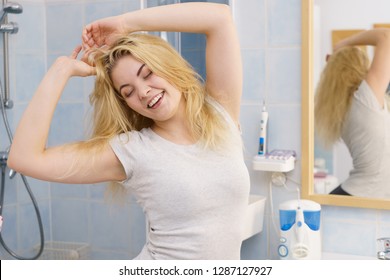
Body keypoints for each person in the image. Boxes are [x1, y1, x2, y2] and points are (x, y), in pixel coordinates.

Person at [7, 2, 250, 260]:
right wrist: (60, 71)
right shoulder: (133, 150)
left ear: (169, 66)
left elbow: (219, 18)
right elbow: (24, 158)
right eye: (128, 92)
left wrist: (125, 24)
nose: (143, 92)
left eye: (148, 73)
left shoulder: (220, 115)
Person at [314, 28, 390, 199]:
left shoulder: (345, 106)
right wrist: (344, 43)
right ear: (359, 67)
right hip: (365, 192)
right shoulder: (364, 99)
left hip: (356, 191)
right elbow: (386, 37)